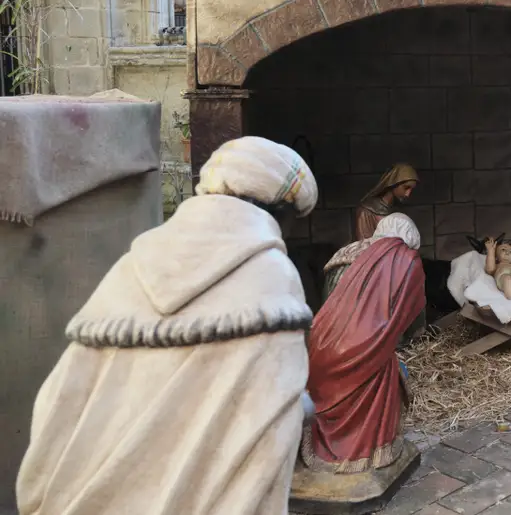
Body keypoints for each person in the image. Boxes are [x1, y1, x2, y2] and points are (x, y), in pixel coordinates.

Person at [16, 136, 318, 515]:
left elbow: (61, 398)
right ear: (282, 211)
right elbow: (268, 426)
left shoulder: (134, 264)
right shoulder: (271, 276)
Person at [304, 213, 426, 474]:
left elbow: (330, 301)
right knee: (388, 371)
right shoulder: (401, 259)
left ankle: (326, 447)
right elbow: (406, 315)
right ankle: (370, 452)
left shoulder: (346, 251)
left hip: (325, 340)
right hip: (365, 346)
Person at [355, 164, 419, 240]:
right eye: (406, 187)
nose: (408, 194)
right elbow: (363, 245)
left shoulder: (397, 209)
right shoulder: (366, 211)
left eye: (411, 189)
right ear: (394, 183)